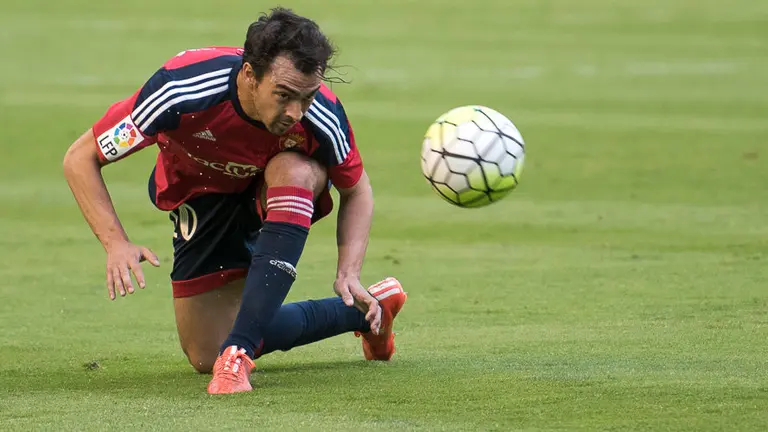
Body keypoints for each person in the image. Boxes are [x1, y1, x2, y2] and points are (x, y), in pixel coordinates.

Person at [62, 7, 407, 395]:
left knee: (294, 170)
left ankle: (238, 355)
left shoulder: (322, 115)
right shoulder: (180, 89)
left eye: (306, 97)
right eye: (284, 95)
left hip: (273, 188)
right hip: (202, 193)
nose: (296, 112)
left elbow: (356, 189)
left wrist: (348, 272)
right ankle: (367, 312)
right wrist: (116, 243)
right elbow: (81, 158)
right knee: (204, 352)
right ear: (249, 75)